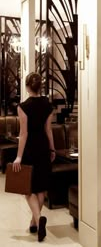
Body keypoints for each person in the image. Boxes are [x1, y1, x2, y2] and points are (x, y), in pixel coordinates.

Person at [12, 72, 56, 242]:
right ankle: (35, 222)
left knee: (28, 188)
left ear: (27, 87)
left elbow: (24, 134)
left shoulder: (23, 107)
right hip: (43, 147)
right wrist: (52, 149)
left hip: (30, 149)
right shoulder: (48, 105)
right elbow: (48, 130)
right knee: (41, 187)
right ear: (40, 87)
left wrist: (18, 157)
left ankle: (37, 220)